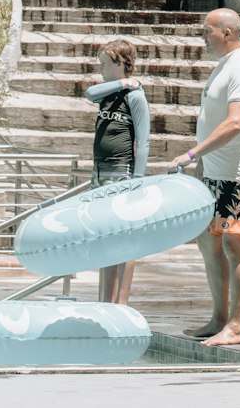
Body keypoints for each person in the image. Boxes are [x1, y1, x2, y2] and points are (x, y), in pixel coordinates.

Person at [167, 8, 240, 347]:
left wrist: (193, 153)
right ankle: (219, 318)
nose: (202, 36)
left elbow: (236, 122)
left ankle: (236, 326)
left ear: (226, 32)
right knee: (208, 242)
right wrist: (203, 163)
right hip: (215, 172)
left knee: (233, 244)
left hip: (239, 175)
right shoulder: (224, 66)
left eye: (206, 30)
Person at [85, 38, 150, 305]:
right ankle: (104, 299)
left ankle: (120, 301)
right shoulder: (108, 92)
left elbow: (143, 141)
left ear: (121, 63)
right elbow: (89, 93)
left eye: (104, 64)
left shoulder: (136, 96)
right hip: (99, 171)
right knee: (104, 236)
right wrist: (124, 81)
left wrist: (138, 181)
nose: (100, 68)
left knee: (124, 237)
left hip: (121, 172)